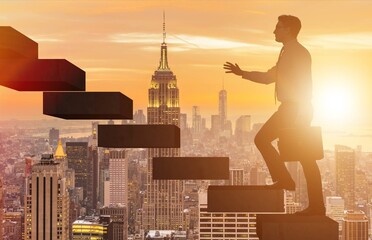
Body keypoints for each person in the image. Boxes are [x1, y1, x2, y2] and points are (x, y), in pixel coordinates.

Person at [224, 15, 325, 216]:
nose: (274, 31)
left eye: (278, 27)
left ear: (288, 29)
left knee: (300, 155)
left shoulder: (297, 53)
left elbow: (287, 81)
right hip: (293, 108)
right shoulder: (289, 52)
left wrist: (301, 115)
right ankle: (307, 198)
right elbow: (271, 77)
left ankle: (305, 197)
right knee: (304, 158)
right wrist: (243, 73)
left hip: (296, 109)